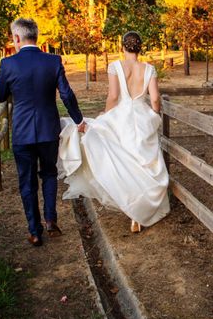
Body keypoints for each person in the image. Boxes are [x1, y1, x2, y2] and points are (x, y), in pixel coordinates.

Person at [58, 31, 170, 233]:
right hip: (142, 115)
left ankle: (132, 211)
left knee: (124, 163)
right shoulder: (149, 69)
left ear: (122, 47)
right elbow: (154, 99)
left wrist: (106, 116)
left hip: (121, 116)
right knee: (143, 163)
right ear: (140, 47)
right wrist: (154, 115)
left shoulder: (115, 66)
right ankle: (140, 212)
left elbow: (113, 95)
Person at [0, 18, 86, 247]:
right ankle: (51, 220)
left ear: (16, 38)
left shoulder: (8, 64)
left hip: (22, 133)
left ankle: (34, 232)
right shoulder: (53, 61)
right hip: (48, 129)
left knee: (27, 182)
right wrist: (78, 119)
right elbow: (66, 94)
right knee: (49, 174)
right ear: (36, 36)